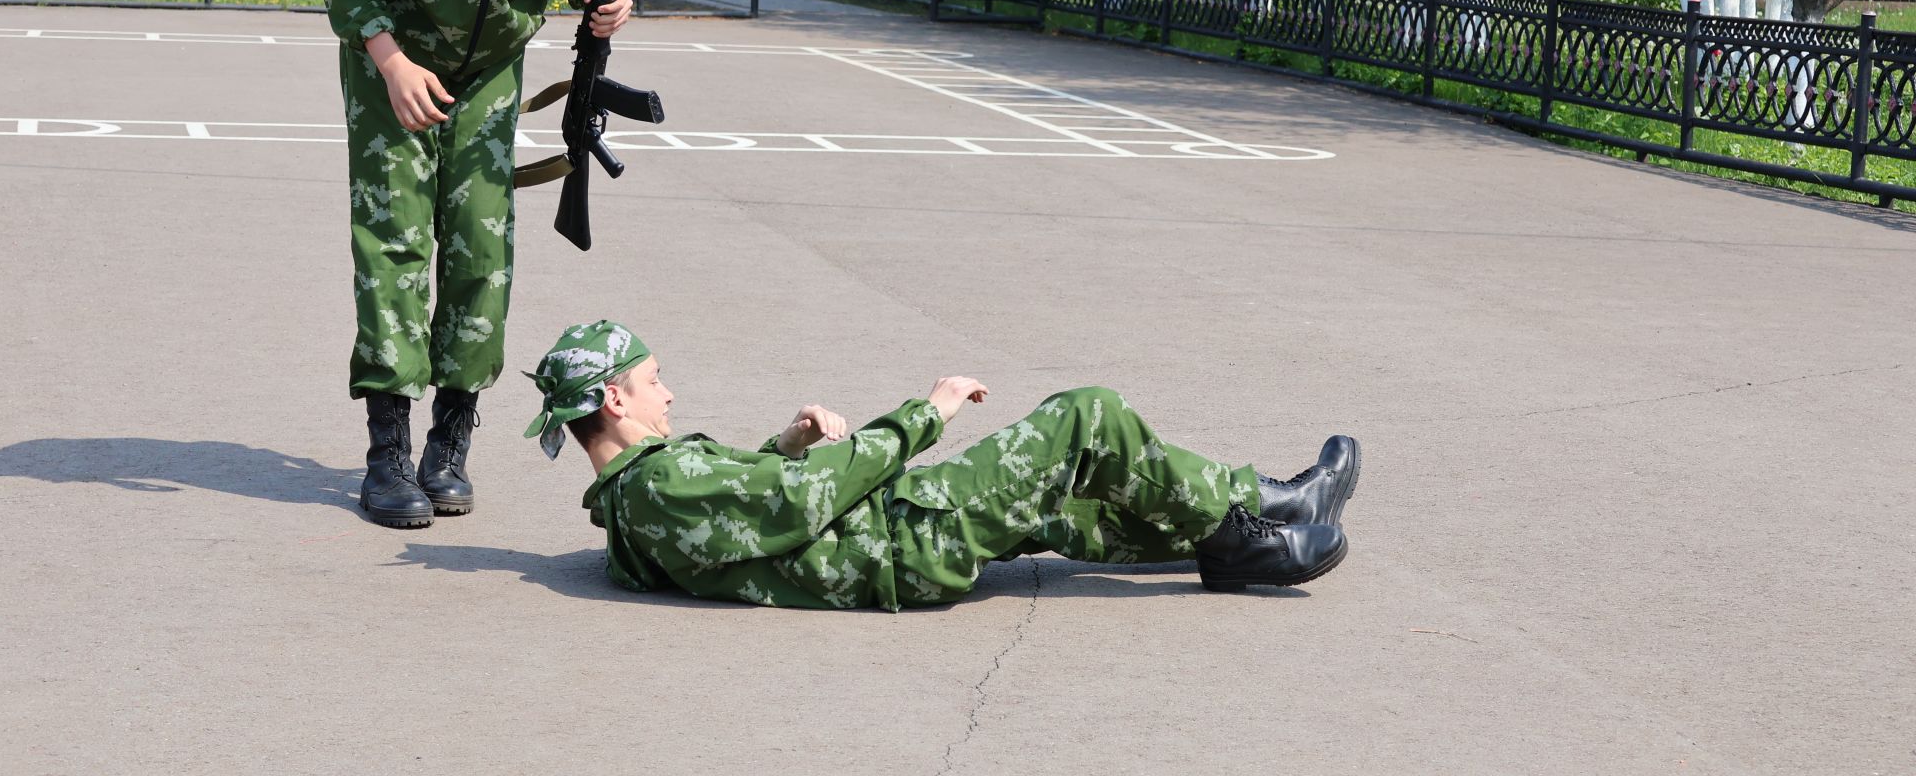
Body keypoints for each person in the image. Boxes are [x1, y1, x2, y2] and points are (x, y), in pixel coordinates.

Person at [313, 0, 634, 531]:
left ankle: (448, 441)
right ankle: (387, 451)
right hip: (395, 60)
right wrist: (388, 61)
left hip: (489, 69)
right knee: (393, 241)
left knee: (481, 249)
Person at [524, 321, 1360, 610]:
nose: (667, 392)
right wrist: (929, 410)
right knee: (1085, 417)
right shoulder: (658, 489)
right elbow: (808, 501)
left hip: (891, 537)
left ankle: (1256, 512)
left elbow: (757, 503)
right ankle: (1244, 529)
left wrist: (784, 441)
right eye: (651, 381)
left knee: (1064, 503)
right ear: (612, 401)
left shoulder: (642, 495)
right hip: (898, 543)